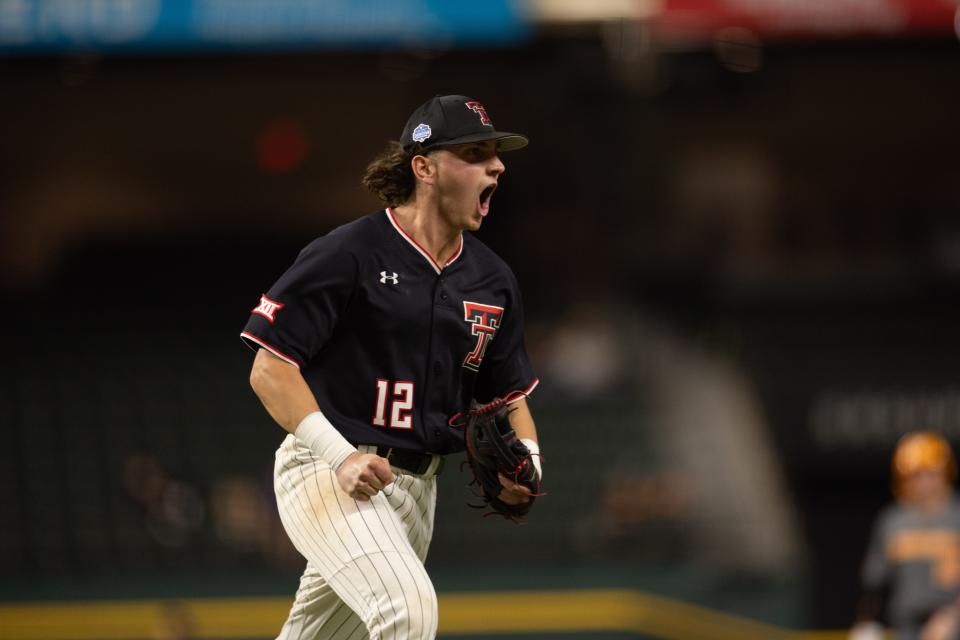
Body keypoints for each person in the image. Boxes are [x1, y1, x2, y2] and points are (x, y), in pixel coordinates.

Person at [240, 95, 542, 640]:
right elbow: (269, 369)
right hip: (328, 470)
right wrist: (340, 456)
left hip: (417, 490)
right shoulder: (350, 252)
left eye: (495, 155)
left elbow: (508, 396)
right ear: (424, 168)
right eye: (474, 153)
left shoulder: (493, 279)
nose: (495, 165)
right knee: (408, 611)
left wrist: (532, 463)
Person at [850, 431, 960, 640]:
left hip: (950, 624)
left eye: (930, 473)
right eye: (914, 475)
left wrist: (953, 616)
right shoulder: (893, 522)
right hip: (906, 625)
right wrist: (866, 622)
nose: (923, 483)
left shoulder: (957, 518)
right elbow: (875, 581)